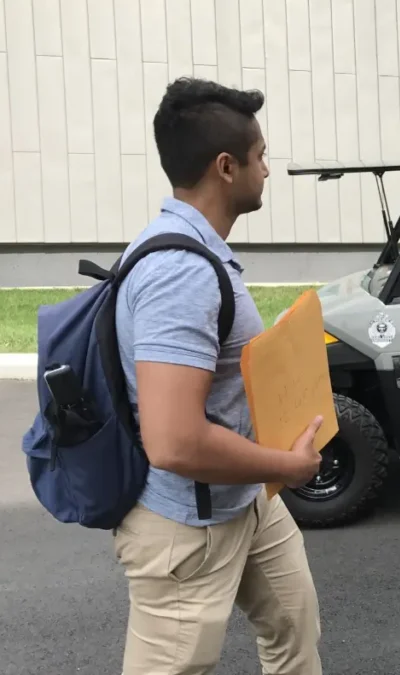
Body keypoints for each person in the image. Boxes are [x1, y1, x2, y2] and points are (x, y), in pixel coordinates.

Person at [112, 77, 325, 674]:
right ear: (226, 166)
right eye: (261, 157)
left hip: (246, 499)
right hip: (188, 524)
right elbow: (174, 441)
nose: (268, 169)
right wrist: (291, 467)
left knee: (294, 629)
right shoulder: (181, 272)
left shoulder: (201, 252)